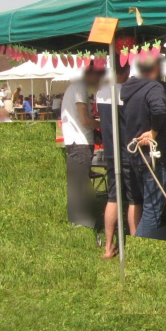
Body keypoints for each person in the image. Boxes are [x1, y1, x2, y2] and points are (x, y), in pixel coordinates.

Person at [121, 55, 166, 239]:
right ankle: (138, 253)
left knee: (148, 202)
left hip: (137, 156)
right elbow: (158, 110)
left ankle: (141, 248)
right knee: (153, 208)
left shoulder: (129, 89)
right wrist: (154, 132)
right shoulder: (154, 87)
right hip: (153, 155)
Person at [95, 55, 139, 258]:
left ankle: (108, 246)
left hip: (111, 151)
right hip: (129, 151)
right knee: (133, 199)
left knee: (112, 197)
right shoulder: (129, 92)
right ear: (126, 72)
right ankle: (135, 242)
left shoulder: (101, 92)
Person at [61, 66, 102, 229]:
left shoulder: (74, 87)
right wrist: (103, 125)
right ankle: (79, 223)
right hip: (80, 142)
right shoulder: (80, 88)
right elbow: (85, 120)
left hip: (75, 140)